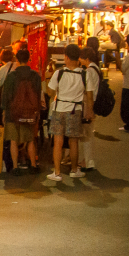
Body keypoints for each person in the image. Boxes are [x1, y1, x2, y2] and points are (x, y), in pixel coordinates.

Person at [45, 43, 93, 181]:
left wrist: (47, 78)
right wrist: (89, 111)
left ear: (66, 57)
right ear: (78, 58)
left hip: (59, 109)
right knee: (73, 142)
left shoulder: (59, 73)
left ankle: (57, 173)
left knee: (58, 141)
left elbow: (49, 93)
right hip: (75, 110)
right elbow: (89, 96)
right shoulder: (85, 74)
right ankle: (74, 170)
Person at [1, 48, 43, 174]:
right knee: (30, 139)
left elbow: (6, 96)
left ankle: (15, 167)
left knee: (13, 139)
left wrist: (4, 111)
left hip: (12, 112)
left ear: (16, 60)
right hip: (29, 112)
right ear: (29, 59)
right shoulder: (35, 76)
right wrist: (38, 112)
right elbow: (37, 94)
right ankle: (34, 165)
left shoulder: (11, 76)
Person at [78, 47, 102, 170]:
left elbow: (88, 92)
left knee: (86, 135)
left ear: (86, 59)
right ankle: (86, 160)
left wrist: (89, 110)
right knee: (88, 135)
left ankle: (88, 162)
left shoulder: (89, 71)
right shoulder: (95, 68)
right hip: (92, 103)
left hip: (88, 105)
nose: (79, 60)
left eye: (81, 58)